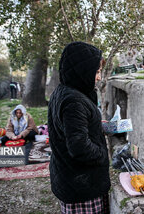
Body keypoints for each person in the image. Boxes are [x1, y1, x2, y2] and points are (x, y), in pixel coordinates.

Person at [48, 42, 110, 214]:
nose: (98, 77)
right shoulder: (73, 101)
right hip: (80, 184)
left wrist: (100, 126)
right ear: (82, 70)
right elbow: (79, 147)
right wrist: (102, 155)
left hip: (72, 178)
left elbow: (72, 128)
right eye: (97, 72)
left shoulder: (64, 91)